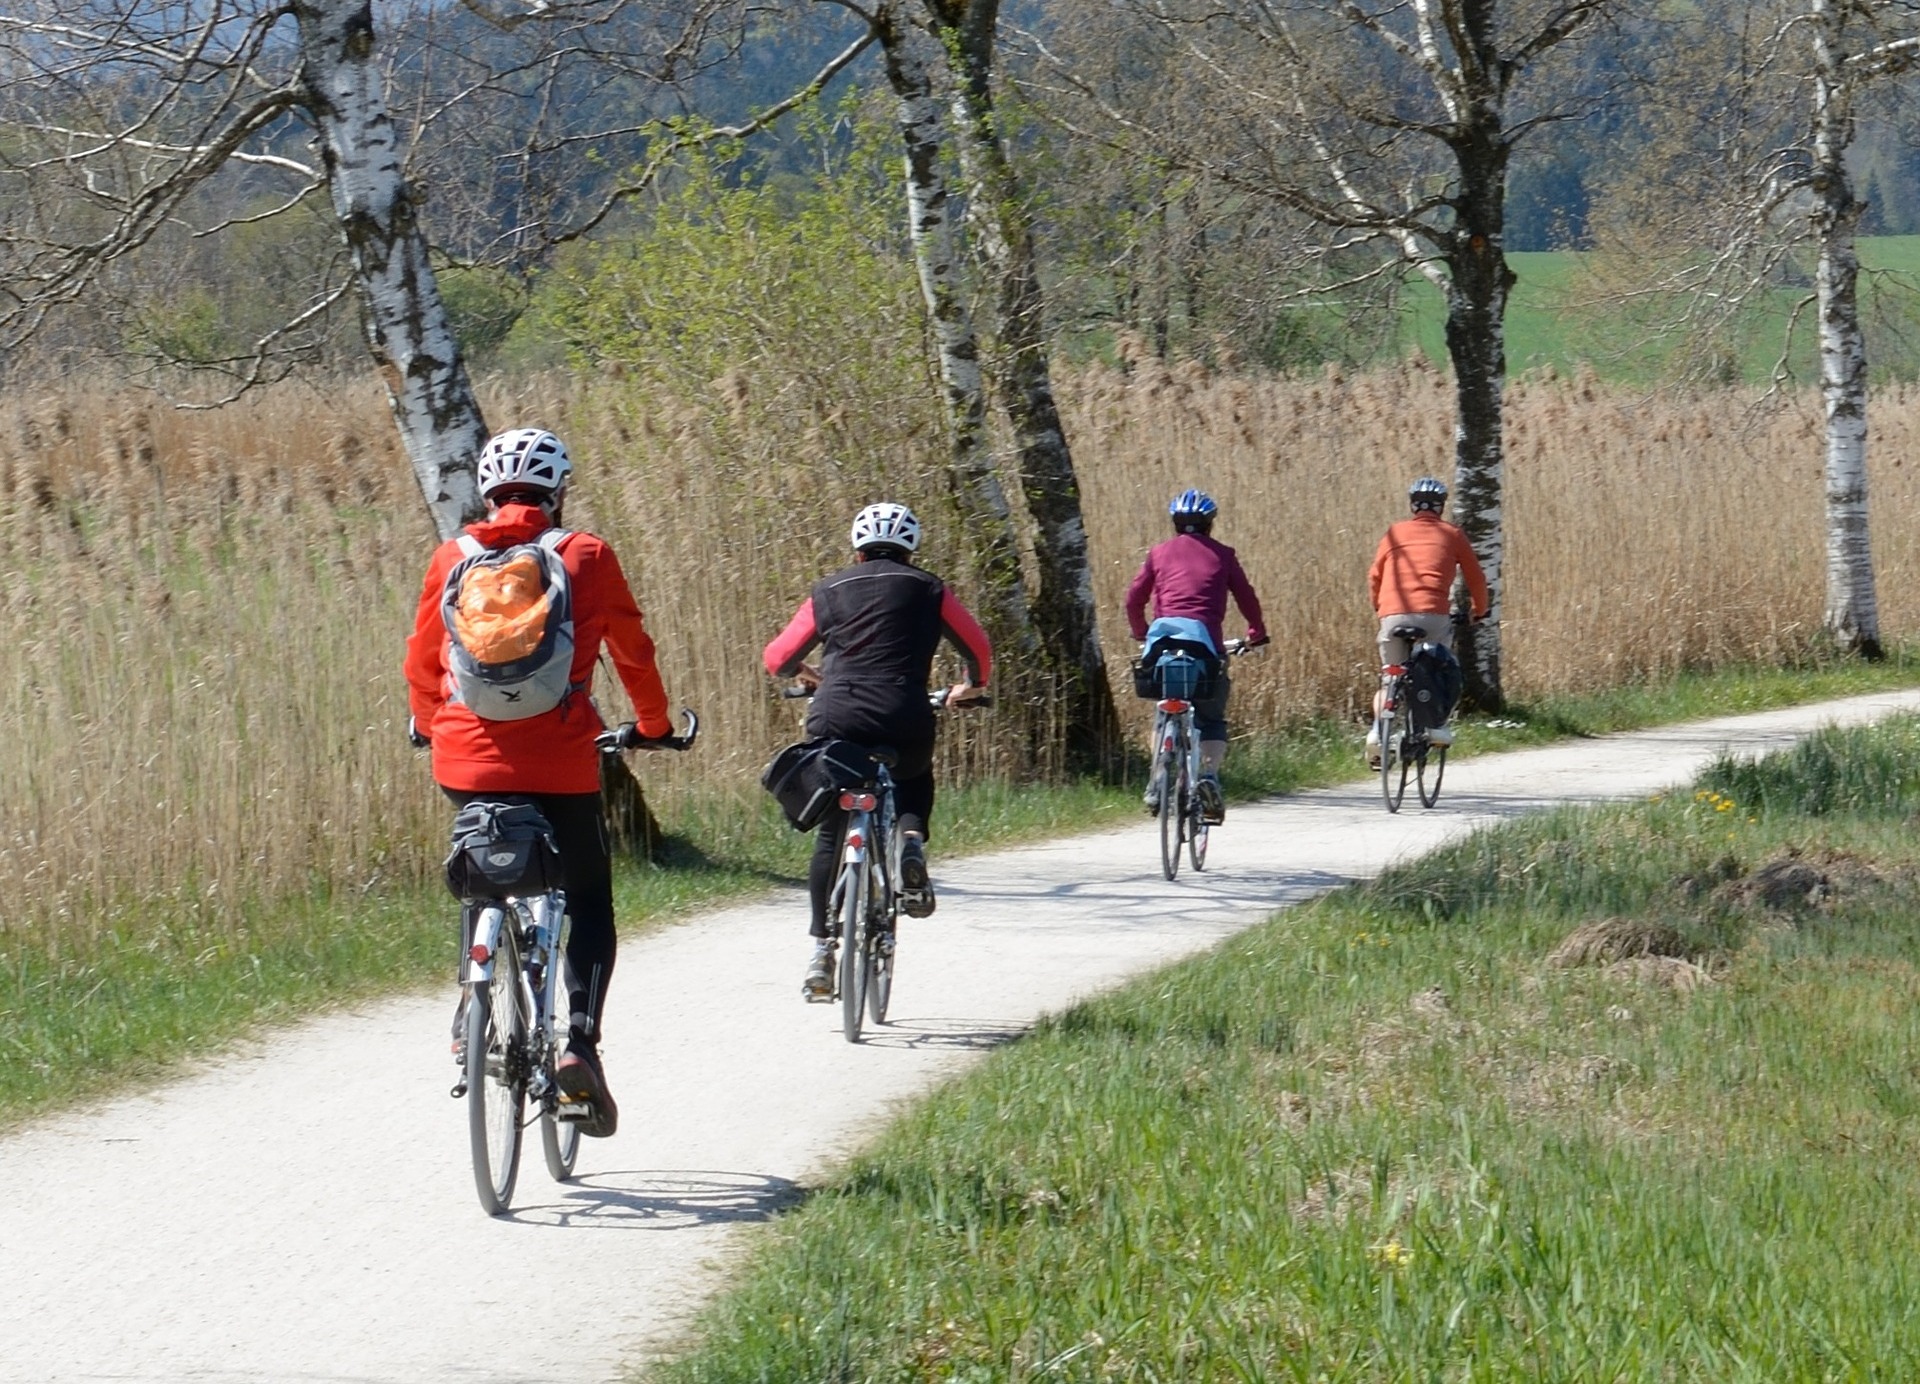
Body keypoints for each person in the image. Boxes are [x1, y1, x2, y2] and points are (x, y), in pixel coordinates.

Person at [404, 426, 680, 1138]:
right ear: (558, 493)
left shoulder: (451, 556)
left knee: (482, 870)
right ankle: (579, 1044)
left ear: (488, 491)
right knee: (587, 898)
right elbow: (633, 651)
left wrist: (430, 723)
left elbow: (422, 660)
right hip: (560, 761)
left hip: (463, 757)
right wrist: (651, 726)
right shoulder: (584, 555)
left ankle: (473, 1008)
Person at [762, 501, 993, 1001]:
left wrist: (805, 674)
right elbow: (978, 650)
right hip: (904, 712)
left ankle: (822, 950)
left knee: (831, 833)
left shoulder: (829, 590)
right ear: (911, 548)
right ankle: (910, 840)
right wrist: (970, 687)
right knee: (913, 775)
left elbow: (778, 657)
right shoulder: (929, 589)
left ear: (858, 548)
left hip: (837, 714)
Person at [1124, 488, 1268, 824]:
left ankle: (1158, 776)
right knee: (1211, 718)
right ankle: (1208, 776)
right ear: (1209, 524)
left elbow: (1133, 599)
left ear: (1175, 523)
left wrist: (1141, 632)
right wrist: (1255, 633)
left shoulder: (1158, 554)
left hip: (1161, 645)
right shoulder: (1223, 555)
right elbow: (1247, 599)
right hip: (1205, 649)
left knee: (1163, 708)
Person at [1366, 474, 1489, 766]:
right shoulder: (1453, 534)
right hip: (1434, 615)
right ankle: (1437, 727)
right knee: (1438, 670)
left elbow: (1374, 577)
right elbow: (1476, 579)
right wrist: (1478, 610)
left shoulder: (1393, 533)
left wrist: (1381, 608)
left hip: (1393, 615)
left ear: (1413, 506)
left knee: (1390, 677)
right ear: (1441, 507)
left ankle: (1376, 733)